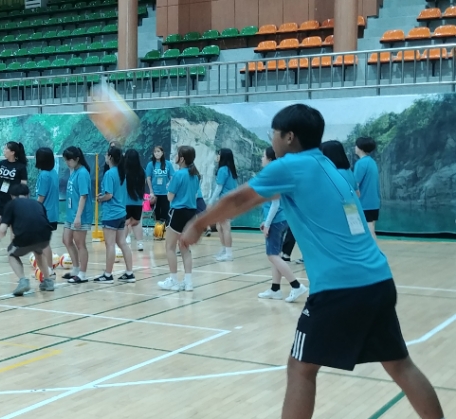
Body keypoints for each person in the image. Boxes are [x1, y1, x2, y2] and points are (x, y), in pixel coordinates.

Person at [180, 104, 444, 419]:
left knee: (301, 368)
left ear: (289, 137)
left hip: (340, 289)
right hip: (377, 281)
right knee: (400, 364)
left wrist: (197, 224)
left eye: (274, 134)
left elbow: (238, 199)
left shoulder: (290, 166)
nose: (273, 140)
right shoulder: (330, 167)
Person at [258, 147, 308, 303]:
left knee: (272, 255)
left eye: (263, 156)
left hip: (276, 220)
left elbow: (274, 203)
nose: (261, 159)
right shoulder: (278, 174)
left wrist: (267, 224)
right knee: (276, 254)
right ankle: (275, 289)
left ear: (270, 159)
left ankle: (296, 285)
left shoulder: (272, 175)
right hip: (281, 218)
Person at [0, 183, 54, 296]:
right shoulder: (37, 204)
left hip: (25, 236)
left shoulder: (11, 204)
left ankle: (23, 281)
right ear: (28, 194)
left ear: (12, 195)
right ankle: (48, 281)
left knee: (11, 254)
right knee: (38, 251)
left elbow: (2, 230)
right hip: (45, 236)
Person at [158, 146, 200, 292]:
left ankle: (174, 281)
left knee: (169, 247)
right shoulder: (195, 176)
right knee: (185, 248)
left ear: (181, 158)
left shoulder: (178, 175)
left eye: (177, 154)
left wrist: (170, 188)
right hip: (191, 213)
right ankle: (188, 283)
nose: (175, 156)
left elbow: (170, 197)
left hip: (178, 212)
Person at [96, 145, 134, 284]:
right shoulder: (121, 172)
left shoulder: (109, 173)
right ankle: (130, 273)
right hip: (121, 213)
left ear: (110, 157)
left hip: (111, 213)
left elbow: (109, 195)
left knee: (110, 245)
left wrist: (100, 198)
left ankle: (108, 275)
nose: (105, 157)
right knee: (122, 243)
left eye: (106, 155)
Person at [62, 146, 93, 284]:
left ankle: (82, 274)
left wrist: (78, 216)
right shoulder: (74, 172)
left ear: (77, 159)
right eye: (66, 160)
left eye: (69, 160)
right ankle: (75, 268)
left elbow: (83, 196)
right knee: (66, 240)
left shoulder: (83, 173)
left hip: (80, 214)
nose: (67, 162)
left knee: (80, 244)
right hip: (71, 212)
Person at [208, 148, 238, 262]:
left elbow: (219, 187)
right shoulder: (230, 169)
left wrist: (211, 202)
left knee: (225, 226)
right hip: (228, 200)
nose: (217, 156)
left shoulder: (223, 170)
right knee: (219, 226)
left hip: (227, 201)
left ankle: (229, 253)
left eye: (218, 154)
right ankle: (224, 249)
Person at [35, 147, 59, 274]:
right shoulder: (53, 173)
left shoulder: (44, 175)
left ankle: (49, 270)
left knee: (44, 244)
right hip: (52, 213)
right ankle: (48, 269)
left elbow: (41, 197)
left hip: (44, 214)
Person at [354, 136, 381, 240]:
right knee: (371, 229)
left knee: (369, 232)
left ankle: (374, 255)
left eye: (356, 145)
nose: (355, 147)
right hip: (374, 203)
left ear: (360, 147)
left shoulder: (361, 163)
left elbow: (355, 183)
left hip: (364, 204)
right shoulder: (371, 162)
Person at [123, 149, 146, 251]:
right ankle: (140, 244)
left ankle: (122, 242)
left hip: (126, 202)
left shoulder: (123, 172)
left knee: (125, 223)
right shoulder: (142, 171)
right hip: (138, 202)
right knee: (136, 223)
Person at [145, 146, 175, 224]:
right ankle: (157, 232)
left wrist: (170, 185)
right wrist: (151, 191)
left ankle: (165, 231)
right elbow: (148, 178)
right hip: (155, 193)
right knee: (156, 213)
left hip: (165, 192)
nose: (157, 153)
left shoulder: (168, 164)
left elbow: (172, 176)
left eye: (158, 151)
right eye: (155, 152)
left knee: (165, 213)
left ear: (162, 152)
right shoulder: (150, 164)